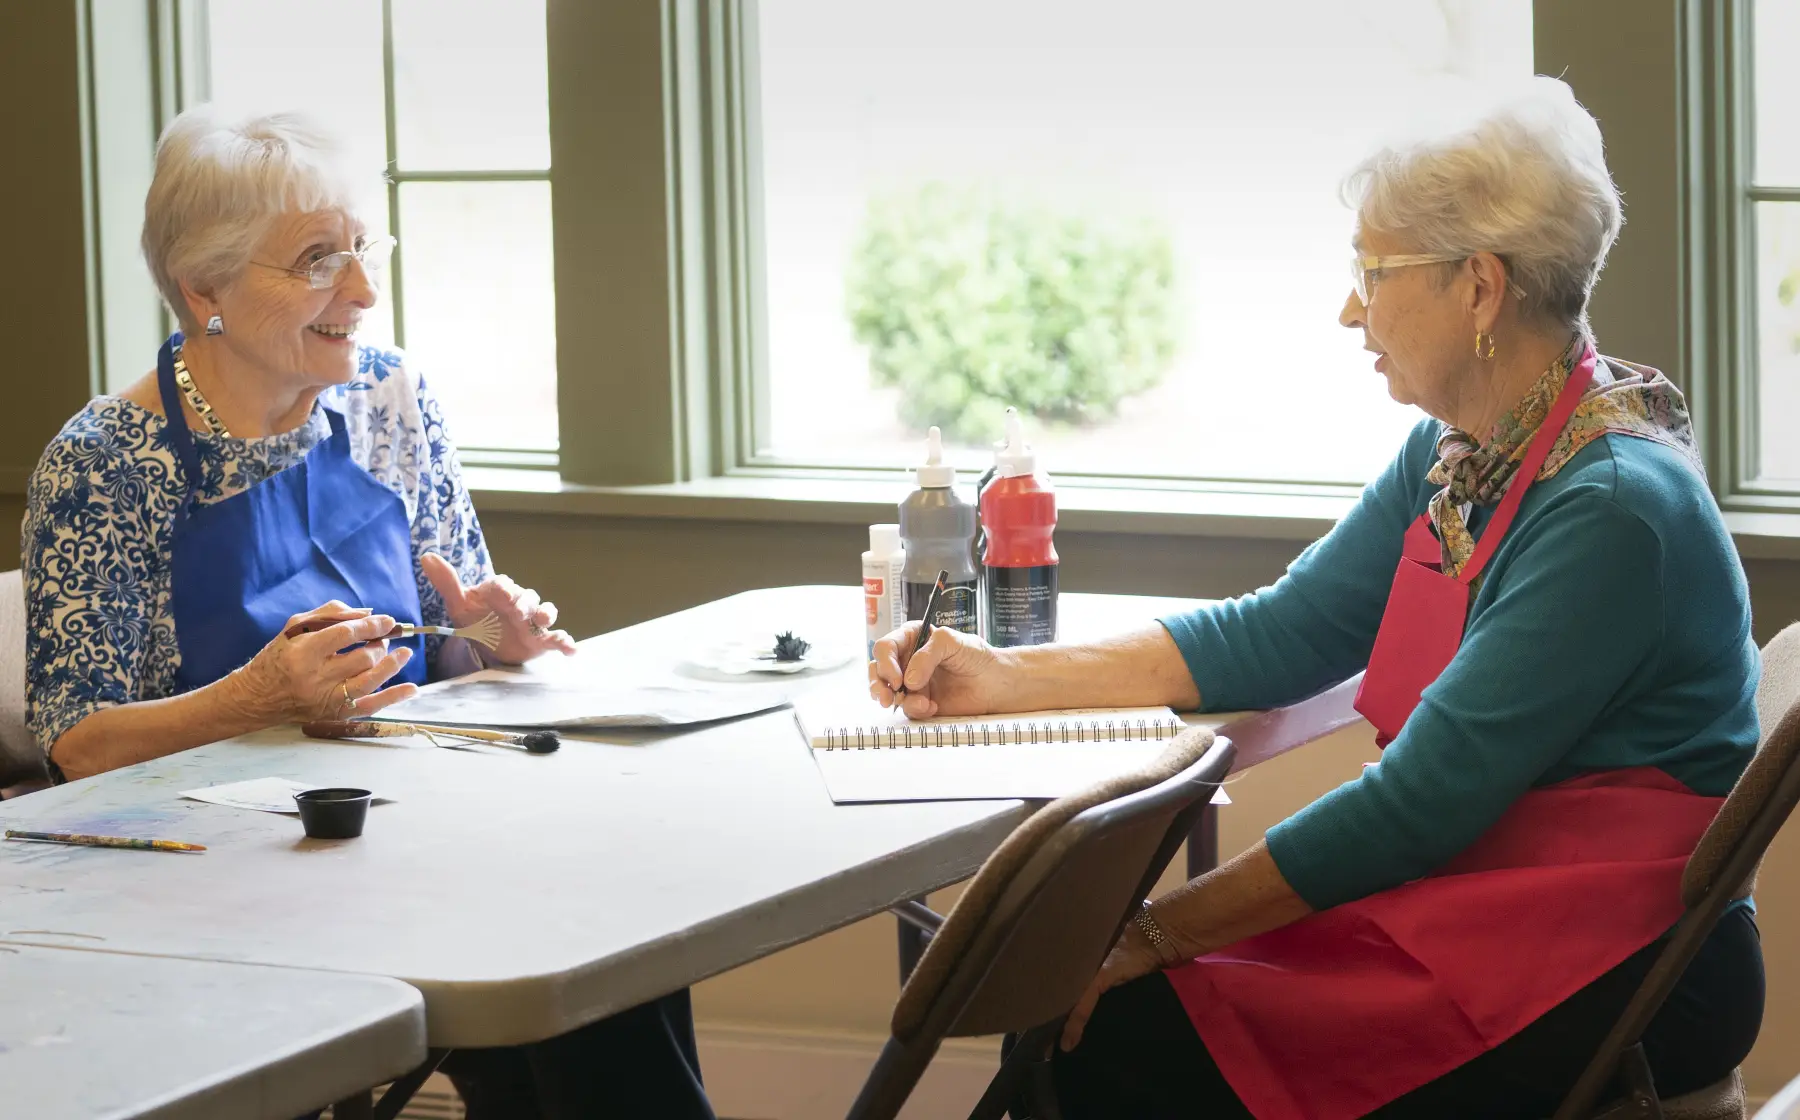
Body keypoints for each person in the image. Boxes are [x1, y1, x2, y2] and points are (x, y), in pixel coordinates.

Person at [870, 77, 1764, 1119]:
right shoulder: (1465, 452)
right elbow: (1285, 631)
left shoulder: (1613, 513)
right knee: (1091, 1036)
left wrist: (1149, 932)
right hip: (1500, 907)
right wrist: (1006, 675)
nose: (1350, 308)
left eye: (1372, 272)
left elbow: (1415, 807)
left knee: (1105, 1043)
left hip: (1628, 964)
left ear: (1479, 287)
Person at [23, 107, 713, 1120]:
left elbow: (456, 638)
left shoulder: (392, 400)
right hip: (205, 886)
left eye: (360, 248)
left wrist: (495, 645)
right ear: (203, 288)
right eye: (316, 260)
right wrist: (250, 698)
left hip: (403, 835)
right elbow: (75, 748)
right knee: (555, 950)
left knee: (607, 923)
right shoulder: (105, 465)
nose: (363, 290)